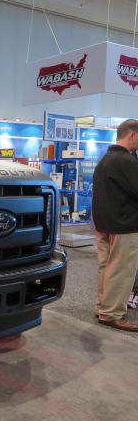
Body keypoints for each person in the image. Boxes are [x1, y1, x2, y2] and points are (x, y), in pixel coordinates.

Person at [93, 119, 138, 332]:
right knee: (121, 270)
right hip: (124, 224)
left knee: (106, 267)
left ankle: (103, 307)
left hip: (105, 223)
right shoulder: (126, 161)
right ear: (132, 135)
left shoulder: (105, 159)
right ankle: (112, 314)